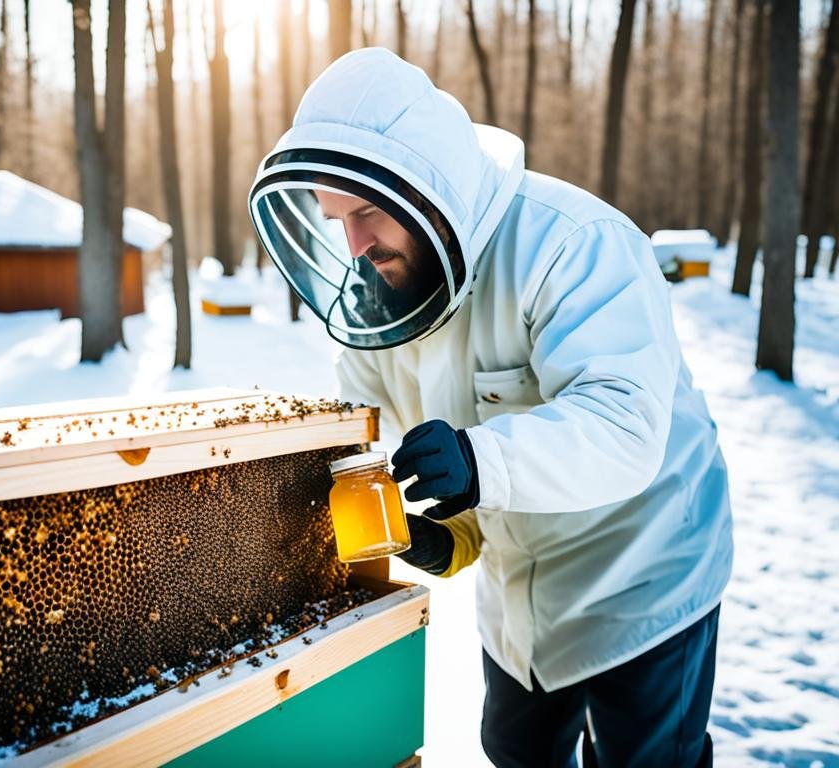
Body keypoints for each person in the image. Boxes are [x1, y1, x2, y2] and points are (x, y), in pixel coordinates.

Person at [248, 48, 732, 768]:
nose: (354, 245)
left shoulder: (573, 244)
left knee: (645, 758)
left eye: (369, 213)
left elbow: (623, 427)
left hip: (645, 571)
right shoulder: (381, 298)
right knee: (513, 750)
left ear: (426, 189)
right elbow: (374, 430)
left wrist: (477, 461)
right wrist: (454, 537)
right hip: (519, 601)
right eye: (336, 218)